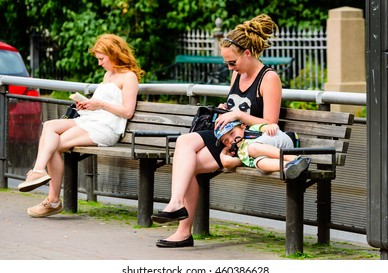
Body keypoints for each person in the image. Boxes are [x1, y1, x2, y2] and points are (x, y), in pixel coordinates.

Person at [151, 14, 285, 248]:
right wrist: (226, 109)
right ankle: (175, 205)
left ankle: (182, 229)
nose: (230, 68)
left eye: (232, 62)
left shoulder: (269, 78)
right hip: (223, 133)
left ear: (247, 53)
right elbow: (234, 105)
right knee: (184, 143)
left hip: (244, 141)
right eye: (227, 64)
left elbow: (270, 124)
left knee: (188, 166)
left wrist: (238, 115)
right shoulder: (237, 73)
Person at [17, 33, 144, 218]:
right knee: (49, 126)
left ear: (114, 53)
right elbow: (103, 103)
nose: (99, 63)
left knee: (53, 145)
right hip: (92, 120)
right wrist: (88, 104)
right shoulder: (108, 74)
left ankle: (50, 197)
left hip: (106, 129)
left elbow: (127, 111)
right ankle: (38, 173)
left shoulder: (129, 77)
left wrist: (98, 104)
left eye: (101, 59)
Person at [215, 120, 310, 178]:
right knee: (260, 163)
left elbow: (271, 127)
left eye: (232, 133)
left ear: (243, 126)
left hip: (280, 142)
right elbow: (227, 162)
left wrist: (271, 127)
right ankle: (291, 166)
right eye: (226, 141)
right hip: (274, 156)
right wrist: (224, 152)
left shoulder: (252, 129)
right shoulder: (240, 153)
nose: (231, 140)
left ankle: (294, 159)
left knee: (252, 148)